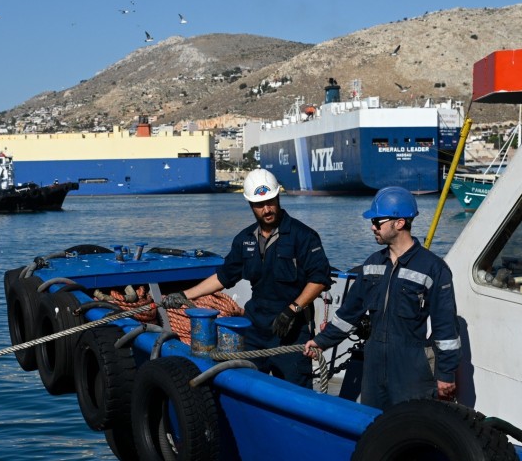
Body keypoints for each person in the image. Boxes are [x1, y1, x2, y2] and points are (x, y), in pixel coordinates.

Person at [161, 168, 332, 387]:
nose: (267, 209)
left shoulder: (304, 236)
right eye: (260, 205)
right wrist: (184, 294)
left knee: (294, 394)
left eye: (270, 201)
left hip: (290, 332)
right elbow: (223, 277)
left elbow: (319, 279)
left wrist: (293, 310)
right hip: (254, 331)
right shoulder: (244, 240)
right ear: (251, 205)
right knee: (246, 387)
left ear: (278, 197)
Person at [303, 186, 461, 410]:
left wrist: (446, 373)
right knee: (374, 427)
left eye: (377, 221)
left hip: (411, 370)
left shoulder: (433, 268)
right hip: (374, 368)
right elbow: (348, 315)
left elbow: (446, 328)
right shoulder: (372, 265)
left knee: (410, 429)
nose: (372, 227)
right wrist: (321, 342)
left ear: (399, 223)